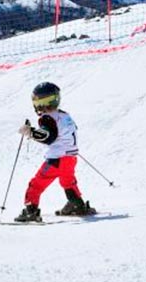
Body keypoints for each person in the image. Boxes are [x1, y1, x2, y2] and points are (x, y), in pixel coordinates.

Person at [14, 82, 96, 222]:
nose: (43, 106)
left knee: (36, 184)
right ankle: (77, 205)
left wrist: (30, 132)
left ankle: (30, 211)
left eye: (45, 101)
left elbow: (48, 137)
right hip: (70, 158)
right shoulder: (65, 115)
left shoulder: (47, 118)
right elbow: (67, 132)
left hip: (56, 160)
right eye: (41, 101)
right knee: (68, 182)